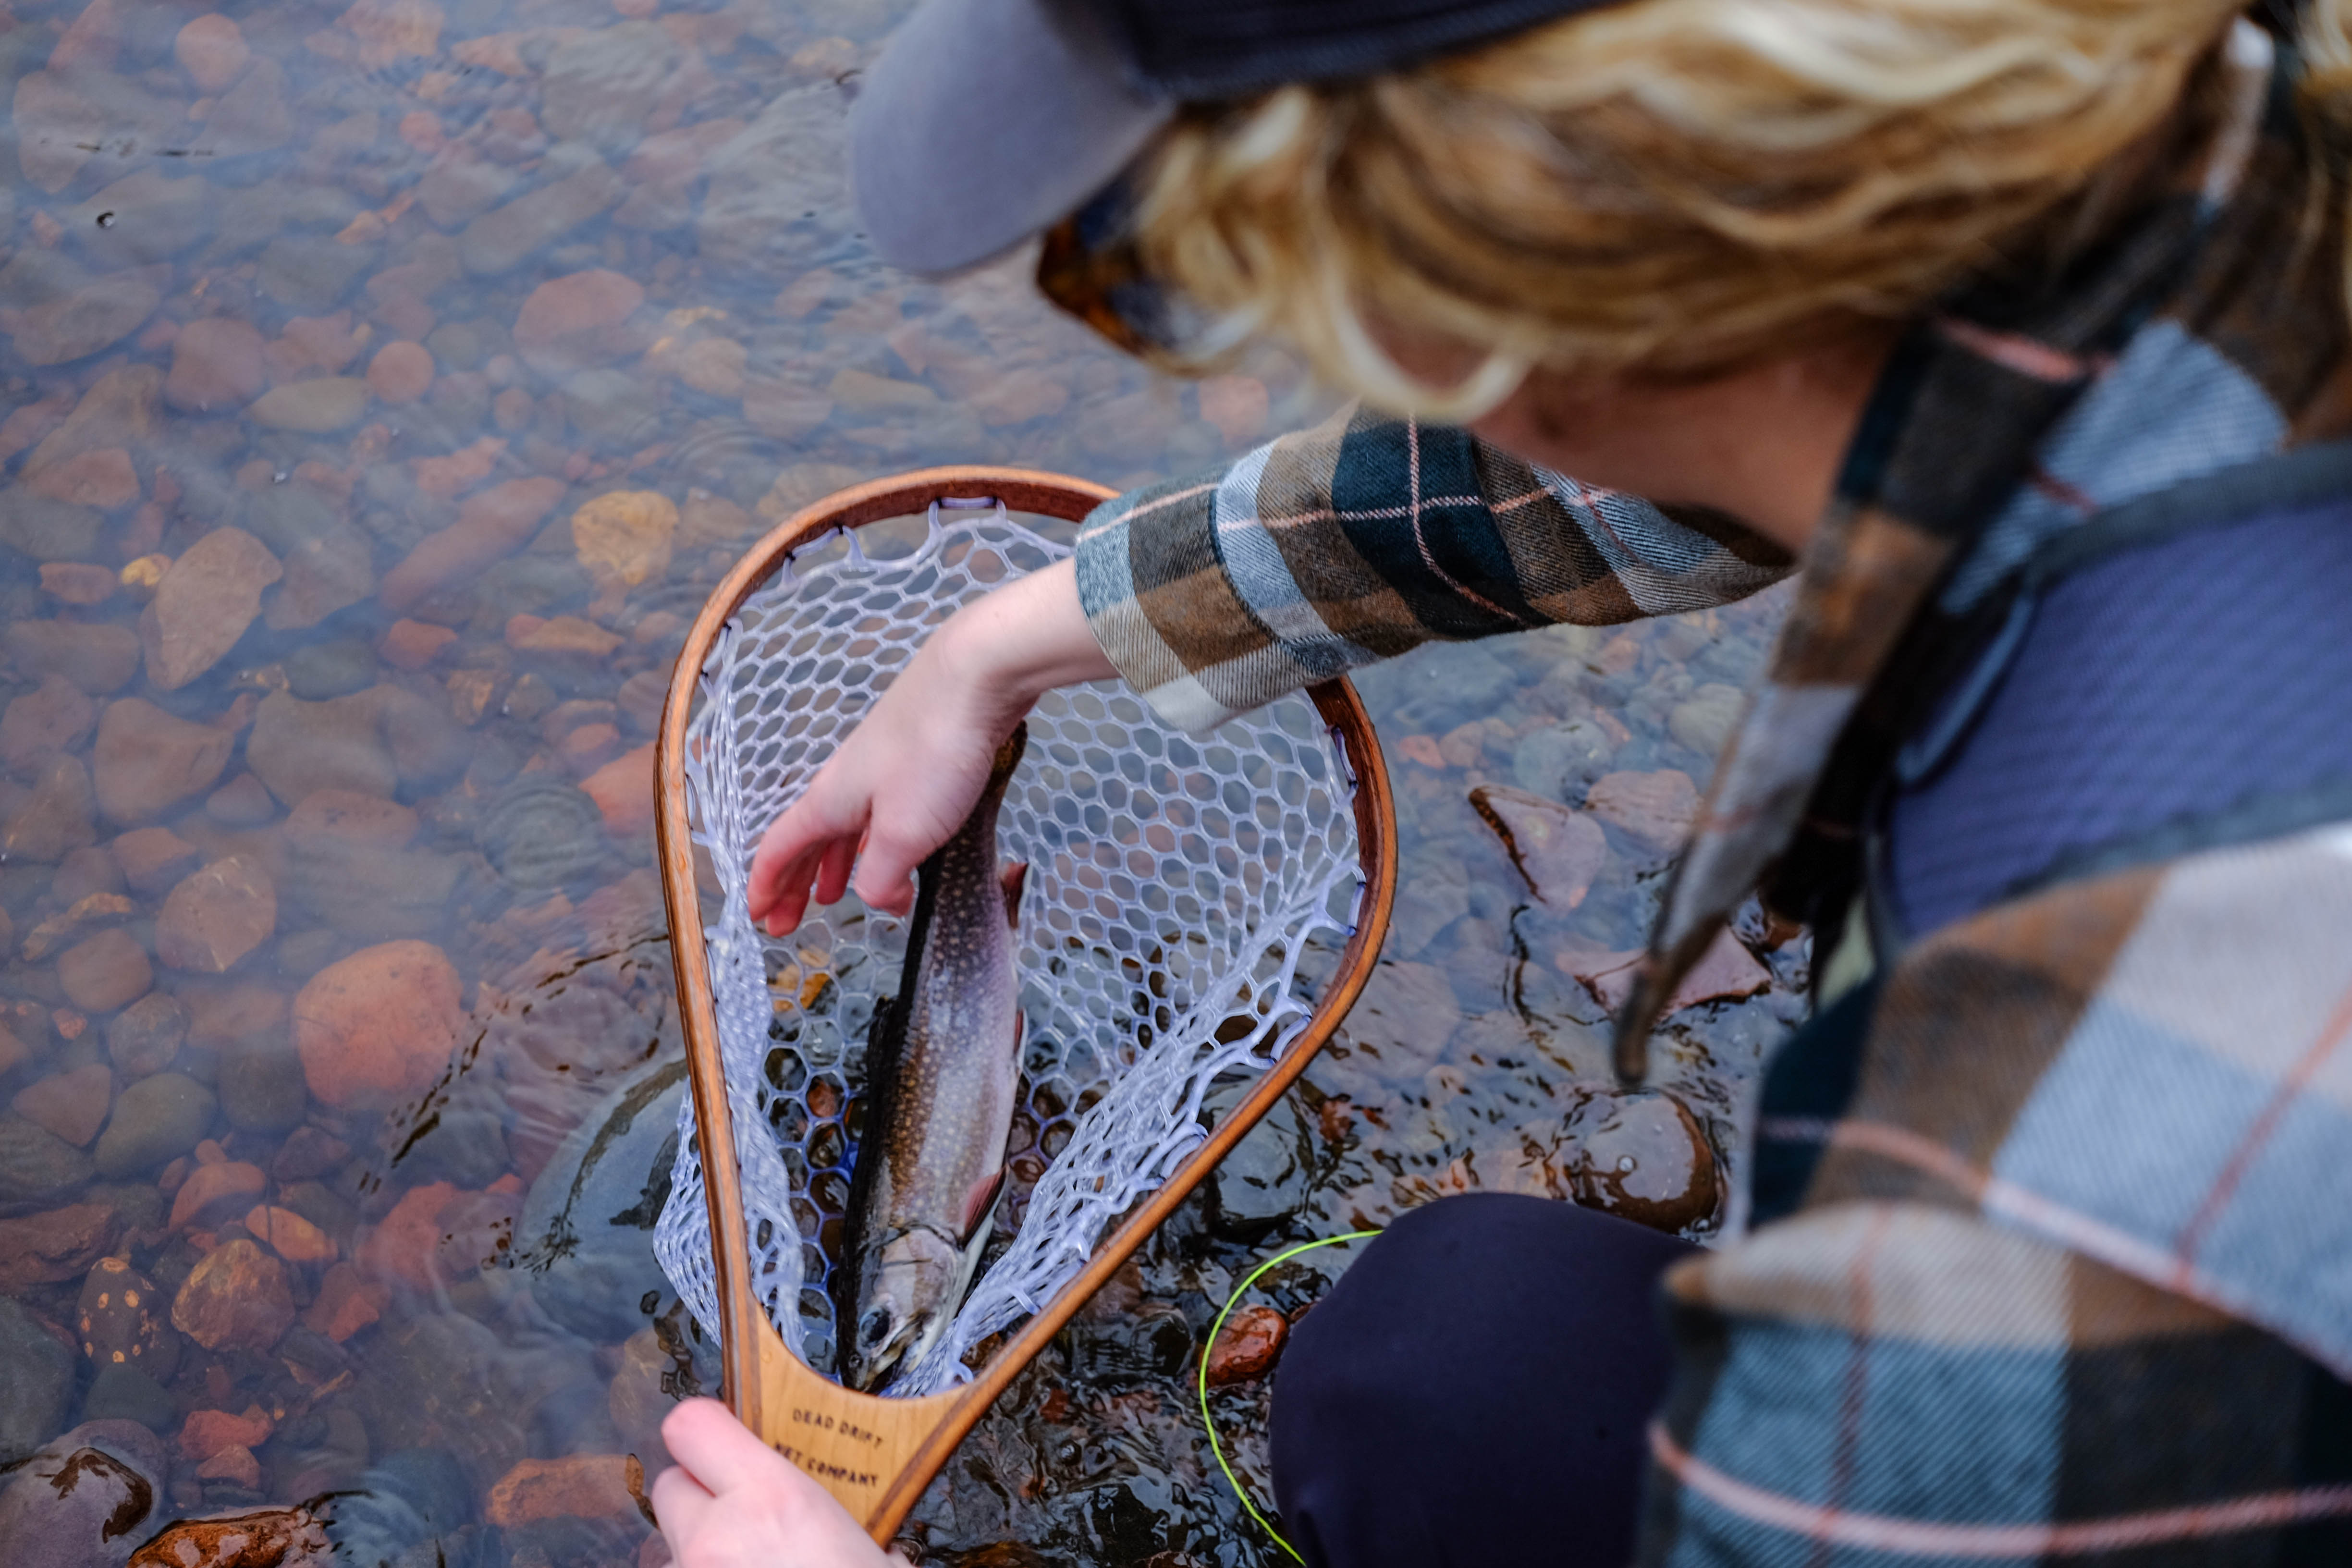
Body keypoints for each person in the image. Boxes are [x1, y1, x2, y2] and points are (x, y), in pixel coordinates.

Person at [652, 0, 2352, 1564]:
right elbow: (1616, 473)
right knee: (1449, 1378)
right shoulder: (2201, 185)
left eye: (1182, 272)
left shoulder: (2081, 1098)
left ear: (1541, 279)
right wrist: (1001, 648)